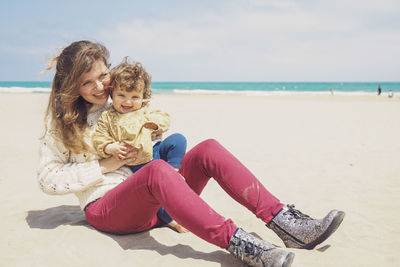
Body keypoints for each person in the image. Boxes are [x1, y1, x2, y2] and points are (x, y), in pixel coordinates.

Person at [38, 40, 345, 267]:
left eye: (102, 75)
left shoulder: (120, 101)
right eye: (86, 82)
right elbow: (47, 179)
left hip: (154, 206)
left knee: (207, 148)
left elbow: (155, 123)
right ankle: (243, 245)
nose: (99, 86)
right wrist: (103, 166)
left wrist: (149, 129)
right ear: (71, 86)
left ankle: (287, 224)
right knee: (156, 171)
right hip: (108, 210)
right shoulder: (63, 126)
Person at [92, 58, 188, 233]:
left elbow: (164, 118)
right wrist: (110, 147)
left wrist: (154, 125)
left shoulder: (145, 110)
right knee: (155, 189)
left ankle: (174, 172)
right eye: (122, 95)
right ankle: (169, 218)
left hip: (157, 148)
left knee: (178, 139)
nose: (128, 102)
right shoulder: (108, 116)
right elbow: (99, 137)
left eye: (134, 97)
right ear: (112, 94)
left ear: (143, 97)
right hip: (139, 160)